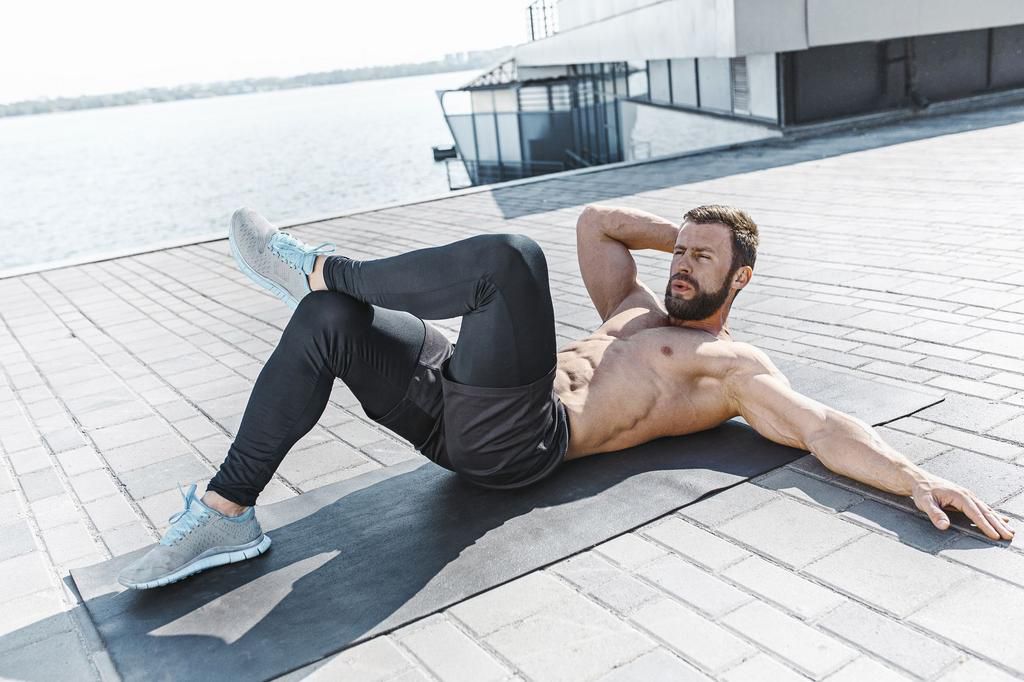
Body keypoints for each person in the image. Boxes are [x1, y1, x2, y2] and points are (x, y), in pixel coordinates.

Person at [118, 205, 1015, 589]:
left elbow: (820, 427)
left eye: (705, 260)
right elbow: (596, 224)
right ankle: (226, 513)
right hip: (454, 404)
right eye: (681, 254)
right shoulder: (634, 303)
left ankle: (321, 262)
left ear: (743, 278)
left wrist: (913, 478)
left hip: (518, 442)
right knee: (325, 321)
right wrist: (696, 230)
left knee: (510, 261)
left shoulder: (728, 365)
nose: (682, 267)